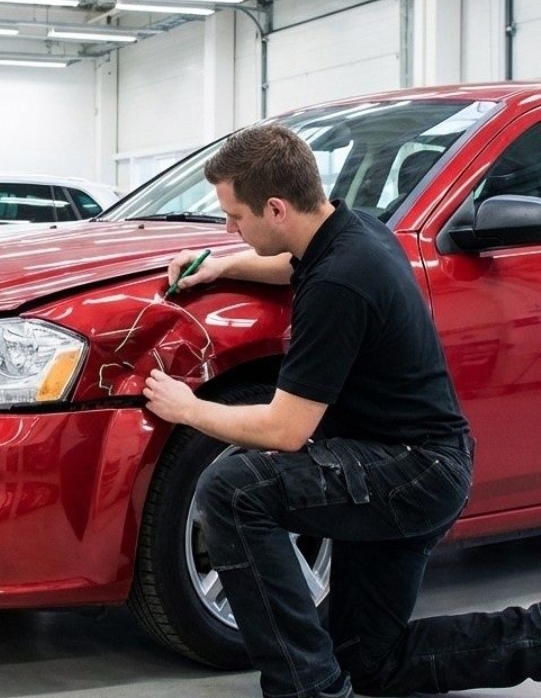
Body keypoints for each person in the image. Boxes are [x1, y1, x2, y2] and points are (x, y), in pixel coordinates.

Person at [143, 123, 541, 698]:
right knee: (371, 661)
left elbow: (285, 430)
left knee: (233, 490)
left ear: (276, 208)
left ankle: (308, 689)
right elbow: (290, 266)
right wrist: (223, 266)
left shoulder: (340, 280)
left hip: (408, 471)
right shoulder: (355, 233)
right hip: (425, 463)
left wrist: (188, 408)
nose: (229, 228)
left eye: (235, 217)